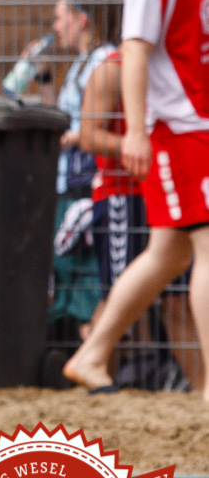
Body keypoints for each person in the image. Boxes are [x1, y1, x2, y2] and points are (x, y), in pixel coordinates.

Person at [66, 0, 209, 396]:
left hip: (197, 123)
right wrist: (137, 133)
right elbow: (134, 50)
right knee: (204, 248)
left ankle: (92, 353)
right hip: (177, 128)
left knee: (167, 253)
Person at [79, 47, 187, 390]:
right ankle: (93, 383)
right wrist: (138, 146)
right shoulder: (112, 69)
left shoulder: (175, 68)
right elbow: (89, 136)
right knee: (116, 294)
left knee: (176, 298)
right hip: (121, 194)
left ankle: (201, 389)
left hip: (167, 192)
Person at [46, 0, 115, 338]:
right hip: (66, 180)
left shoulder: (104, 61)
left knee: (88, 272)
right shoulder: (81, 63)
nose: (56, 27)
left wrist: (71, 135)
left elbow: (92, 123)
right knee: (68, 268)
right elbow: (61, 117)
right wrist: (43, 79)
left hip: (86, 180)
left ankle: (95, 346)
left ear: (81, 19)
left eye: (61, 18)